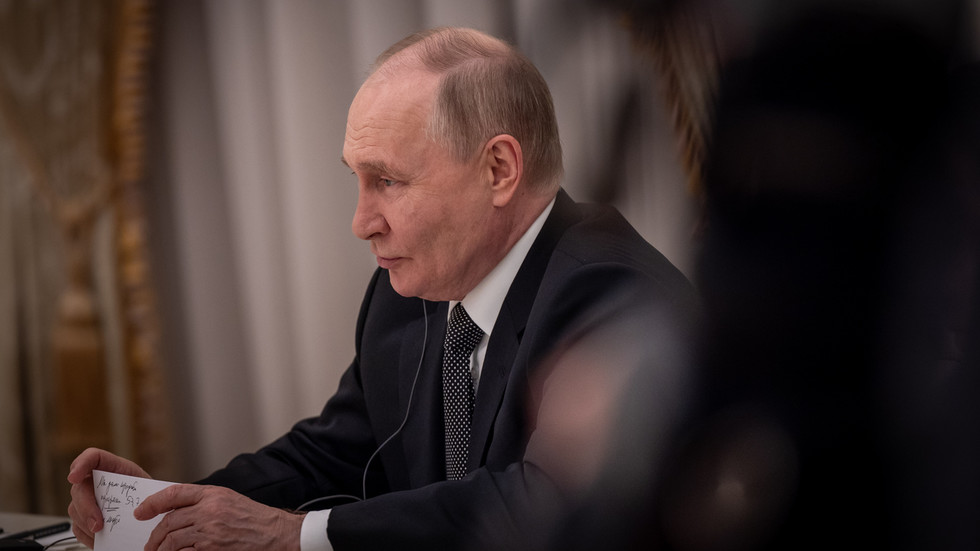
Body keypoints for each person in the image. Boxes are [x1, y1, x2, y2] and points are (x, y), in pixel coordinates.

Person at [67, 26, 696, 550]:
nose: (361, 222)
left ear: (499, 169)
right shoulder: (406, 293)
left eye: (388, 181)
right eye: (357, 181)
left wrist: (294, 535)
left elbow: (542, 502)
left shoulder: (608, 291)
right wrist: (166, 506)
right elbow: (331, 455)